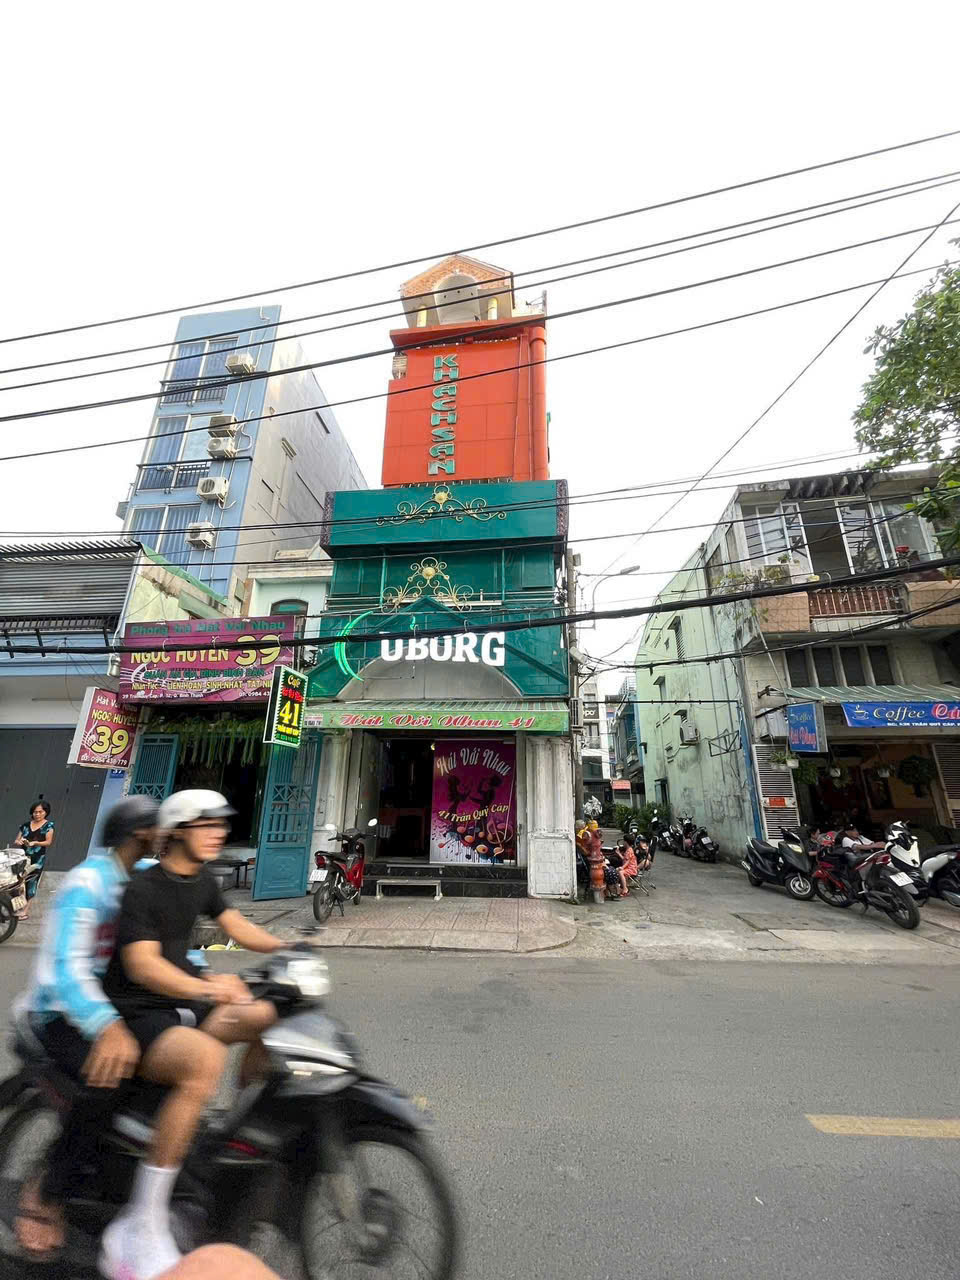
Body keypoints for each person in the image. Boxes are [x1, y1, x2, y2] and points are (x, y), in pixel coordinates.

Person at [99, 789, 291, 1280]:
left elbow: (236, 925)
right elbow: (142, 966)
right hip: (139, 1012)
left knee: (267, 1015)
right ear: (179, 830)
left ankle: (235, 1136)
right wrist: (208, 986)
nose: (219, 833)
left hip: (182, 1000)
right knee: (204, 1060)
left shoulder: (202, 880)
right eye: (208, 824)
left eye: (221, 824)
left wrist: (290, 947)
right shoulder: (143, 889)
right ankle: (143, 1221)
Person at [14, 795, 160, 1260]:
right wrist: (106, 1026)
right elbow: (68, 968)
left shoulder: (145, 879)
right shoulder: (86, 884)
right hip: (59, 1011)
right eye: (157, 829)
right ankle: (48, 1190)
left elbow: (170, 944)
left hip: (113, 1005)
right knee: (108, 1077)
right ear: (137, 835)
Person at [12, 799, 56, 918]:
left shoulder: (48, 826)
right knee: (19, 882)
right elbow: (16, 840)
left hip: (37, 859)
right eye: (35, 812)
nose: (37, 814)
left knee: (31, 882)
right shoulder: (25, 825)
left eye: (40, 812)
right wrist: (20, 841)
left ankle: (25, 911)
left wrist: (36, 843)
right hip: (23, 857)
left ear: (46, 812)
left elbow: (48, 842)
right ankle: (18, 906)